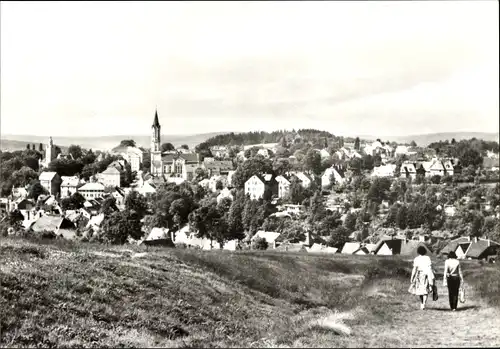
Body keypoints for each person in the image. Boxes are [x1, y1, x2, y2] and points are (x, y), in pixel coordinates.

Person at [409, 246, 435, 310]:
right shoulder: (427, 258)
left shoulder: (416, 259)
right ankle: (424, 303)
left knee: (420, 290)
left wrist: (412, 277)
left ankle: (422, 303)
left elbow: (414, 269)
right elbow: (430, 267)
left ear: (418, 252)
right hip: (426, 275)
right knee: (425, 290)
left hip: (419, 276)